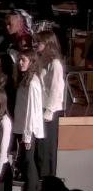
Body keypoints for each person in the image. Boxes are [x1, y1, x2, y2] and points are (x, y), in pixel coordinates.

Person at [13, 49, 44, 191]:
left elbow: (33, 111)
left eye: (23, 60)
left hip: (29, 130)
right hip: (22, 127)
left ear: (32, 62)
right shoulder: (25, 80)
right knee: (25, 161)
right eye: (19, 60)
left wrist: (27, 135)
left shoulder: (32, 83)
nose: (20, 63)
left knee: (28, 160)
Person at [36, 30, 65, 177]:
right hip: (40, 107)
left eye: (39, 42)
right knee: (40, 145)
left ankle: (48, 176)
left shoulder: (55, 63)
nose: (36, 44)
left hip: (50, 111)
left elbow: (56, 88)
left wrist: (49, 110)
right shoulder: (43, 61)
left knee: (47, 145)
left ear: (48, 43)